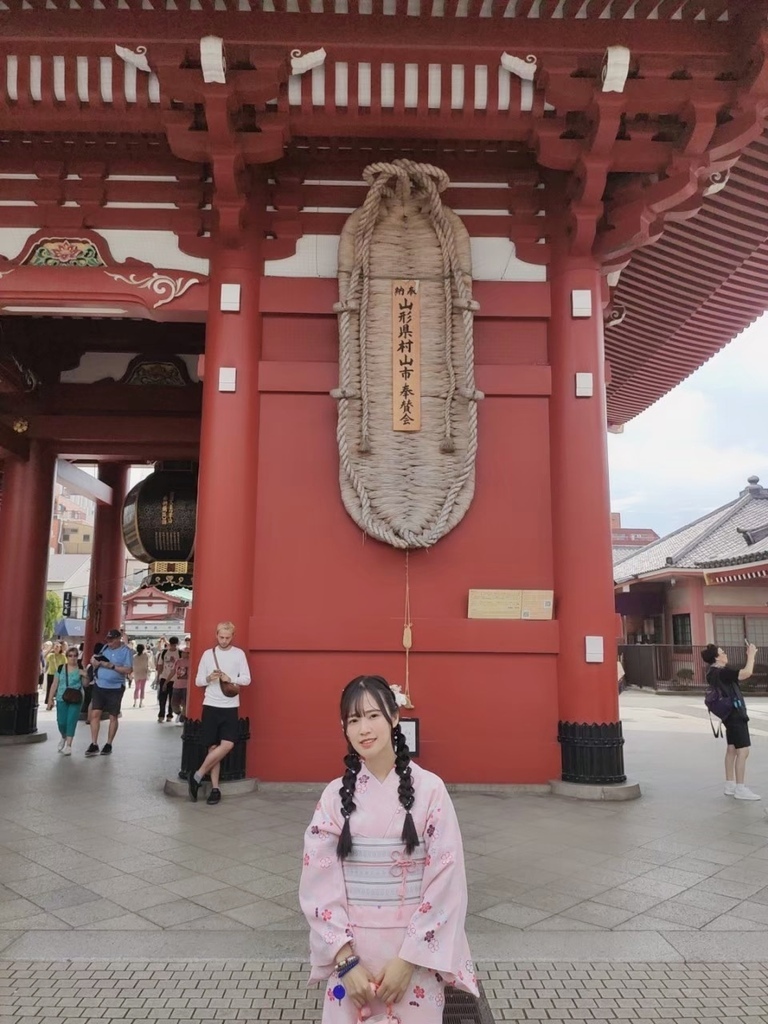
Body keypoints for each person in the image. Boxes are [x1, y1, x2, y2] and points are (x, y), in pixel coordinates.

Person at [298, 675, 477, 1024]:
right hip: (352, 963)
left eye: (373, 716)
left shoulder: (430, 790)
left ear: (395, 718)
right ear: (344, 729)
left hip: (413, 961)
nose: (364, 728)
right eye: (353, 720)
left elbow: (446, 879)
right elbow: (317, 884)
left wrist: (409, 960)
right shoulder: (334, 797)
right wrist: (346, 962)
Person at [188, 622, 250, 806]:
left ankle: (197, 775)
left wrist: (230, 678)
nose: (224, 640)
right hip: (211, 704)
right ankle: (215, 788)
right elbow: (198, 681)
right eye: (221, 637)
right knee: (213, 748)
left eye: (227, 637)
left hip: (230, 706)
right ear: (216, 635)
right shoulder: (208, 654)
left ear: (232, 636)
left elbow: (247, 679)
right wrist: (209, 678)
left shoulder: (239, 654)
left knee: (228, 744)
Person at [702, 642, 760, 800]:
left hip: (727, 715)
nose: (725, 654)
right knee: (743, 750)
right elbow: (746, 673)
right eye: (723, 652)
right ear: (717, 658)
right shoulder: (722, 673)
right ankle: (740, 788)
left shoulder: (711, 672)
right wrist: (752, 655)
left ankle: (730, 785)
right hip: (735, 714)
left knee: (732, 749)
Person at [85, 628, 132, 757]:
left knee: (113, 716)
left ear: (118, 639)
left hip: (116, 687)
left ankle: (109, 743)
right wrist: (95, 662)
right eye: (108, 640)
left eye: (112, 640)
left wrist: (112, 666)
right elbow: (96, 659)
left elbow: (128, 670)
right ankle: (94, 743)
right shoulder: (104, 648)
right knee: (95, 714)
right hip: (100, 685)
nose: (109, 642)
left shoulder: (126, 652)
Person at [46, 646, 86, 754]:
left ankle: (69, 745)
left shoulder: (80, 668)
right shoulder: (61, 668)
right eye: (70, 656)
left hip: (76, 698)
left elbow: (86, 684)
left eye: (75, 656)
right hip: (61, 697)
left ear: (78, 657)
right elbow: (54, 684)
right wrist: (50, 699)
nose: (73, 658)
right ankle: (63, 736)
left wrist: (85, 675)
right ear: (67, 657)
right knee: (61, 722)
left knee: (71, 721)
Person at [156, 636, 180, 723]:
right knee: (162, 698)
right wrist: (158, 676)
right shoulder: (164, 652)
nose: (173, 647)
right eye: (172, 645)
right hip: (164, 677)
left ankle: (170, 715)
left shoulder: (180, 653)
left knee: (172, 699)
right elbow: (160, 665)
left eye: (174, 645)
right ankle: (161, 715)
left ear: (177, 644)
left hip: (175, 679)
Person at [169, 643, 190, 724]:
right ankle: (179, 713)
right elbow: (173, 672)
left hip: (186, 687)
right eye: (182, 652)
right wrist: (166, 682)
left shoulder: (192, 662)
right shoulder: (178, 661)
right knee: (174, 704)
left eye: (185, 652)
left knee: (185, 703)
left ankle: (183, 717)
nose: (183, 653)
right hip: (176, 686)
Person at [132, 643, 149, 708]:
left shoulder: (134, 657)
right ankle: (141, 703)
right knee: (142, 688)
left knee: (137, 688)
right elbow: (148, 664)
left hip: (136, 674)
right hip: (143, 673)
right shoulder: (145, 656)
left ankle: (134, 702)